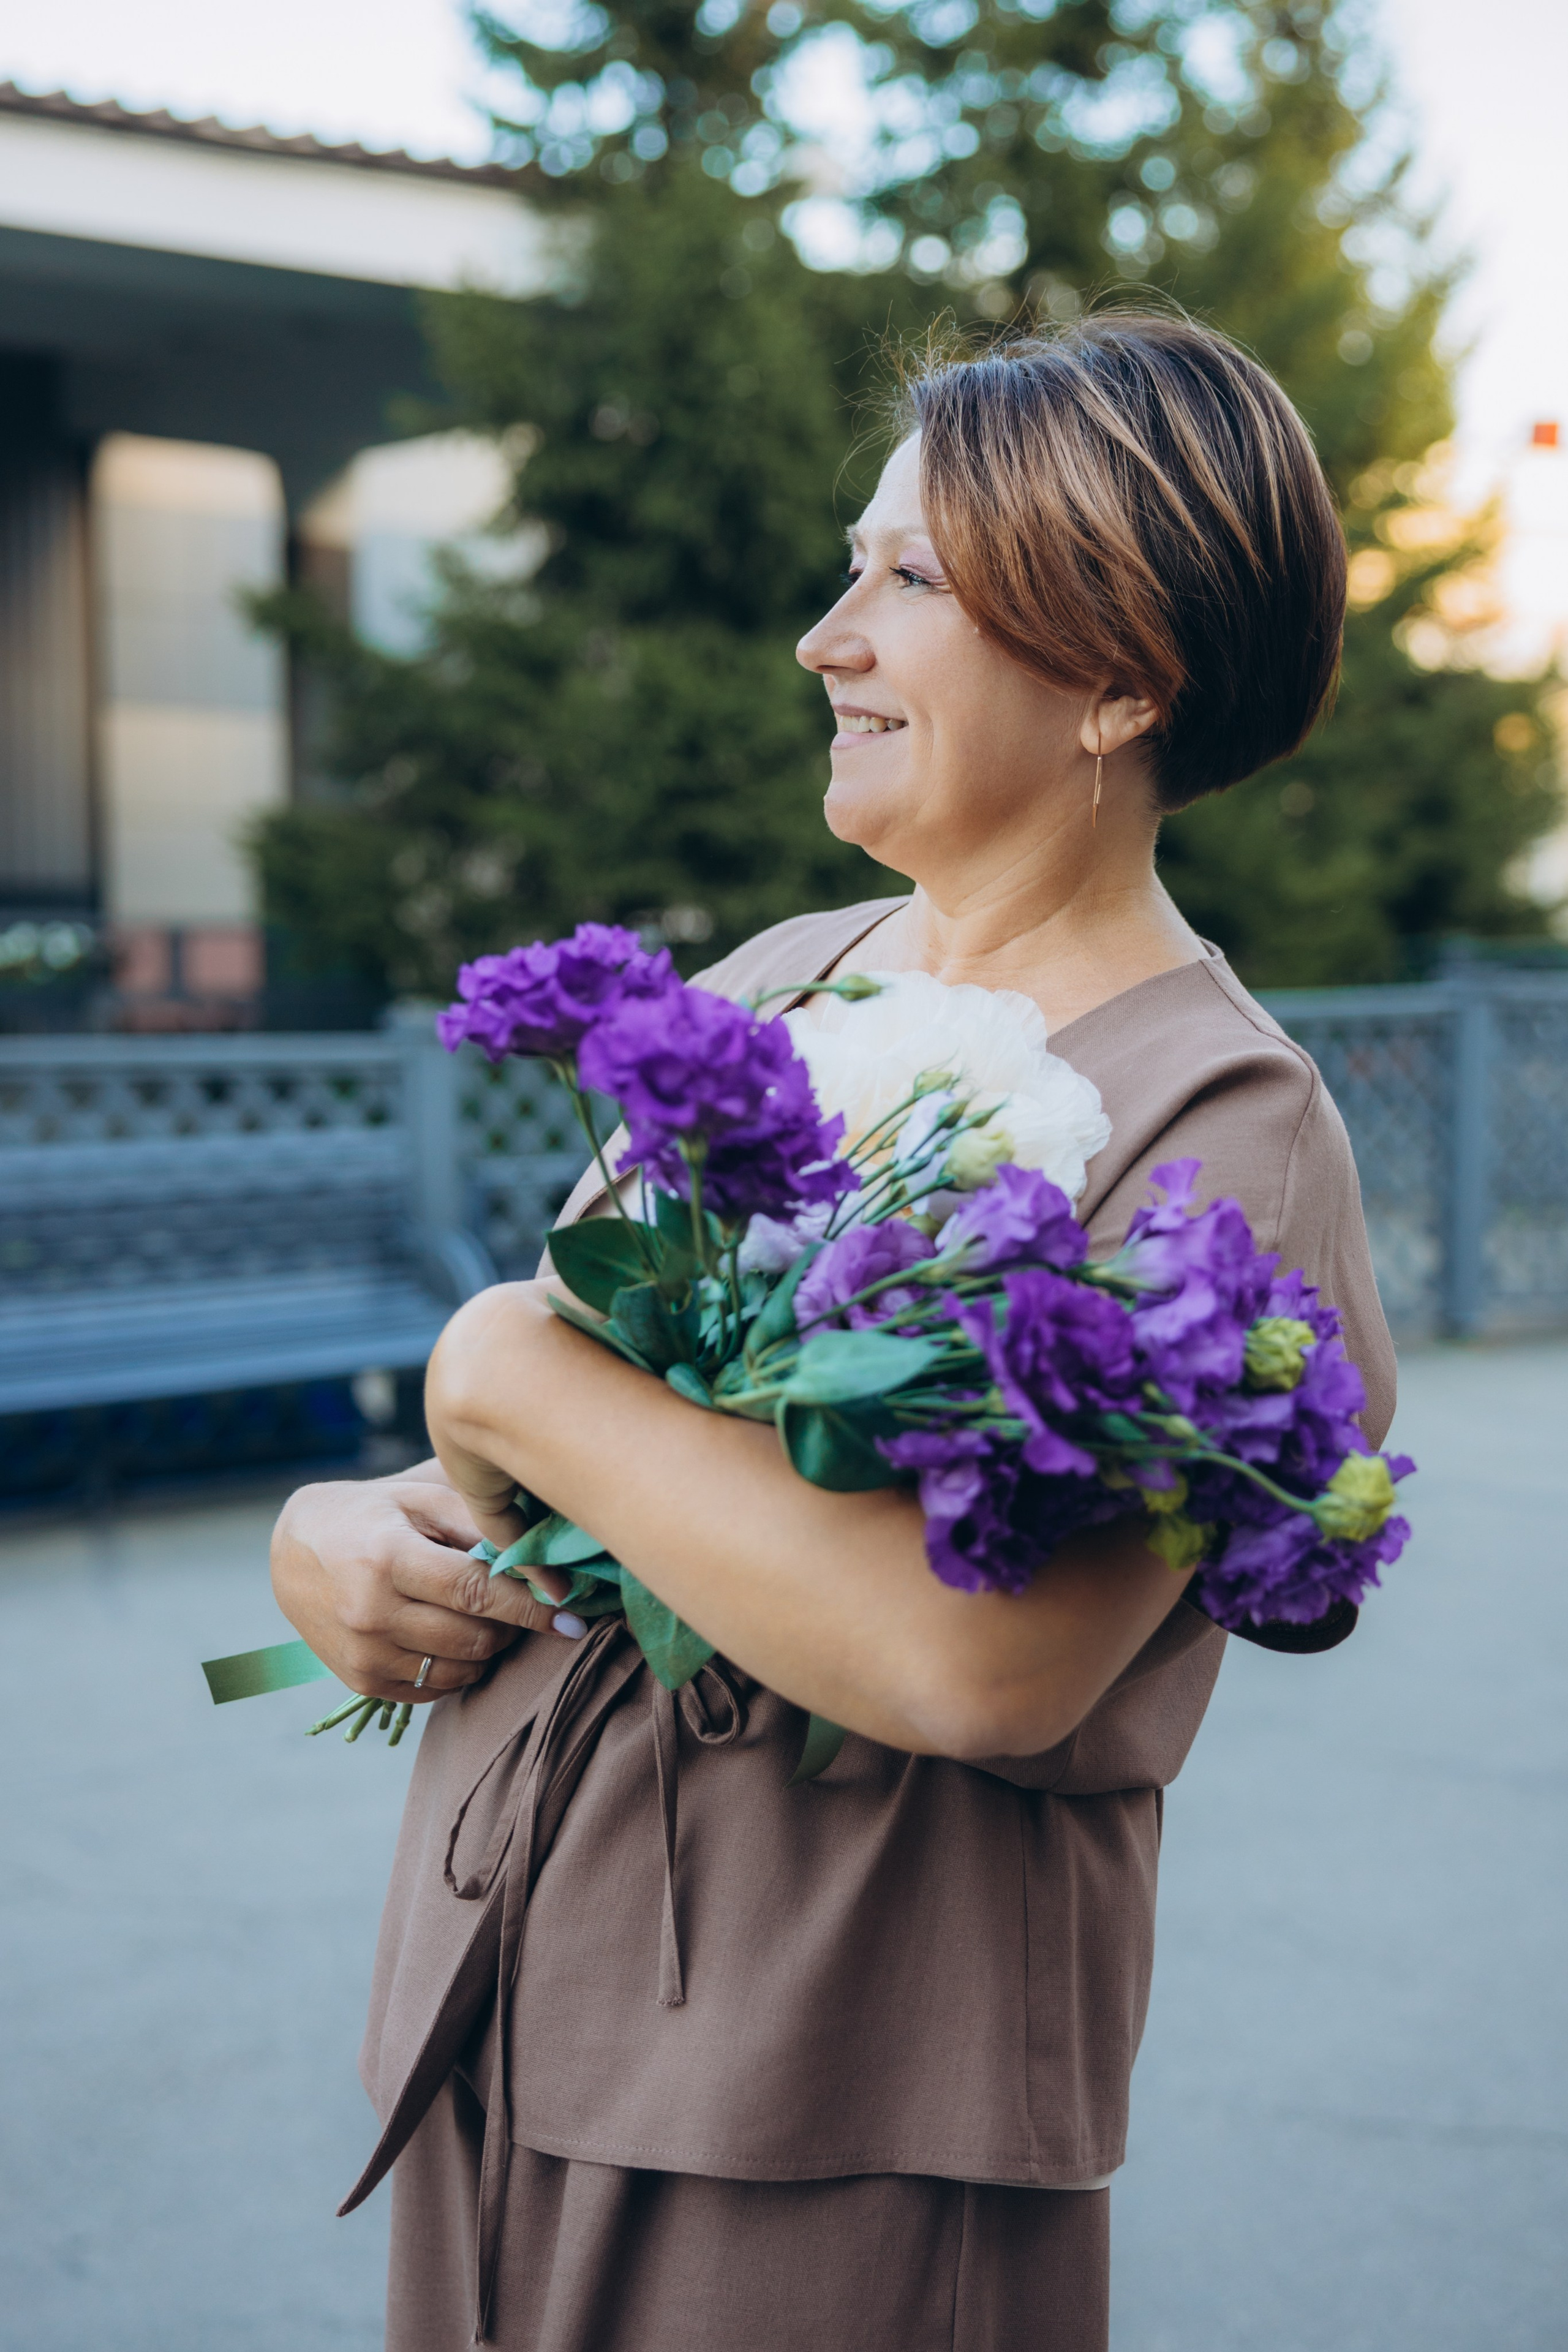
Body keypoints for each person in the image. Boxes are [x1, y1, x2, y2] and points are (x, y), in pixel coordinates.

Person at [271, 312, 1394, 2352]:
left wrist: (498, 1361)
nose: (826, 633)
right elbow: (552, 1474)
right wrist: (349, 1528)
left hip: (834, 2100)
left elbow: (972, 1662)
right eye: (851, 563)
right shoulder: (785, 980)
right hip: (508, 2007)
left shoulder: (1225, 1124)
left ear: (1120, 673)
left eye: (910, 581)